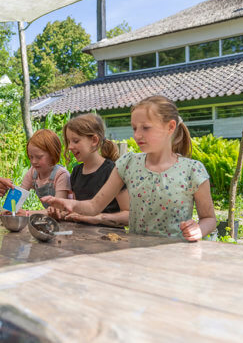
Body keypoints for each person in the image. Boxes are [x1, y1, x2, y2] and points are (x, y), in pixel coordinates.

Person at [43, 95, 216, 241]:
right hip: (134, 252)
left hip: (176, 256)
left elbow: (209, 218)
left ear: (170, 127)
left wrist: (199, 229)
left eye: (146, 128)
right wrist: (68, 203)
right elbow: (94, 206)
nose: (137, 135)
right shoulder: (128, 164)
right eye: (134, 128)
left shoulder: (193, 170)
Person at [49, 114, 129, 227]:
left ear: (94, 140)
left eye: (76, 141)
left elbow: (128, 215)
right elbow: (78, 212)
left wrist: (99, 218)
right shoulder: (76, 172)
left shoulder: (113, 171)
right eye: (69, 141)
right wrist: (60, 214)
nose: (70, 147)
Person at [19, 129, 71, 209]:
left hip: (67, 218)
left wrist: (27, 213)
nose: (33, 161)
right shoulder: (33, 172)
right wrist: (10, 210)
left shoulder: (61, 175)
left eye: (39, 157)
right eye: (31, 157)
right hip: (51, 216)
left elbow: (58, 210)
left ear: (52, 155)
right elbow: (19, 194)